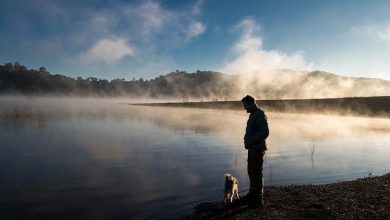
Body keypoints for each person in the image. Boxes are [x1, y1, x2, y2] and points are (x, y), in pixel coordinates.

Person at [241, 95, 269, 208]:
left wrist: (251, 141)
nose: (244, 108)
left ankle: (258, 199)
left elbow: (265, 132)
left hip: (257, 149)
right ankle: (252, 194)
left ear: (251, 103)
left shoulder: (259, 115)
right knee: (251, 171)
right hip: (253, 148)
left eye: (245, 105)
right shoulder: (253, 115)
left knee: (256, 173)